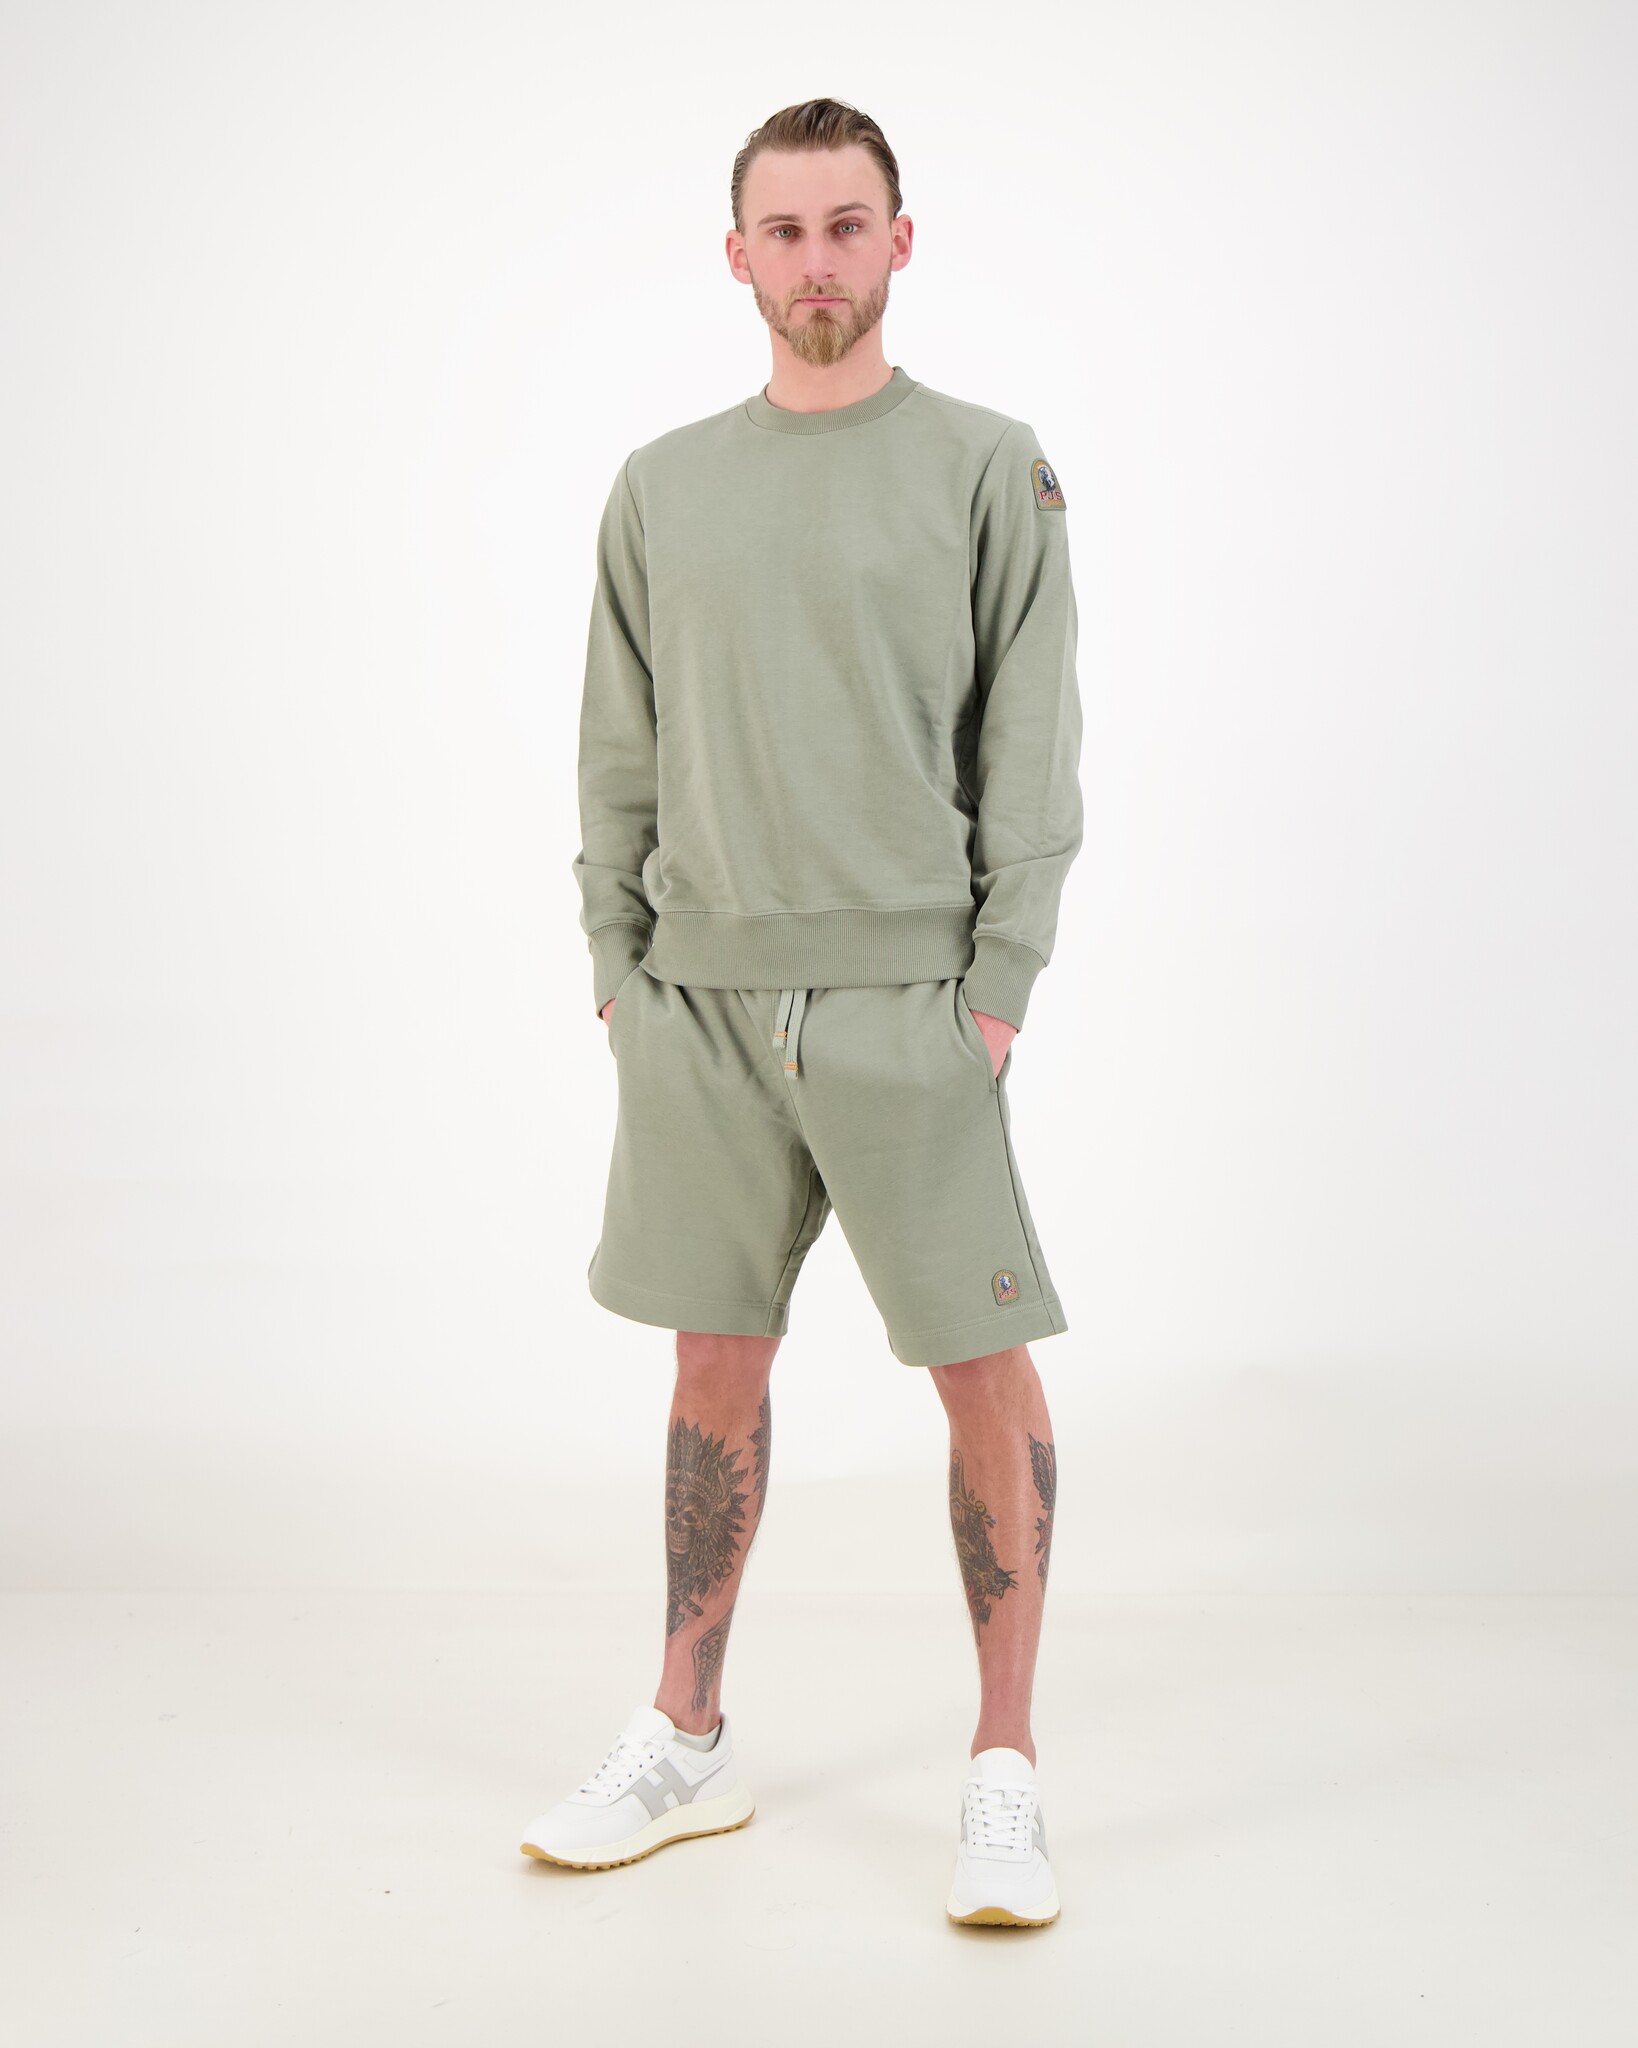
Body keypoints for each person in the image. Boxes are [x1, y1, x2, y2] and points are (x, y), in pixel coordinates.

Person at [522, 97, 1082, 1929]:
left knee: (978, 1369)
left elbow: (1032, 749)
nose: (817, 261)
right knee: (711, 1363)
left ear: (899, 242)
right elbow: (614, 748)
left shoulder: (987, 465)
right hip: (694, 1004)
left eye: (849, 226)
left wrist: (991, 994)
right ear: (737, 254)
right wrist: (618, 969)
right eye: (785, 230)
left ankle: (1004, 1768)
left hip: (909, 1002)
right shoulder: (660, 485)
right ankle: (687, 1736)